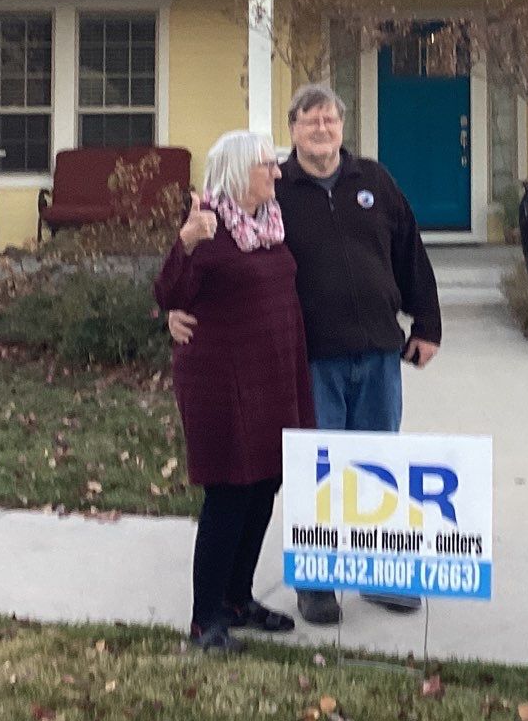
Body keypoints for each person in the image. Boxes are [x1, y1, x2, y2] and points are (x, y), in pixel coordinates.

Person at [174, 82, 443, 625]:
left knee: (375, 467)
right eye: (310, 121)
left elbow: (409, 249)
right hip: (308, 358)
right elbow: (212, 244)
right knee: (316, 471)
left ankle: (381, 576)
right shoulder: (276, 189)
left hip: (377, 353)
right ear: (292, 130)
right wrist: (176, 306)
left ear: (343, 129)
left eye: (331, 121)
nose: (323, 130)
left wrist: (427, 323)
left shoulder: (376, 180)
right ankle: (316, 584)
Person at [153, 128, 314, 653]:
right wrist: (185, 242)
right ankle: (206, 618)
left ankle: (238, 600)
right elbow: (170, 294)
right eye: (267, 164)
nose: (277, 172)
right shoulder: (207, 226)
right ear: (240, 172)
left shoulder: (270, 223)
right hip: (221, 382)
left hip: (274, 376)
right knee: (229, 491)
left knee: (264, 485)